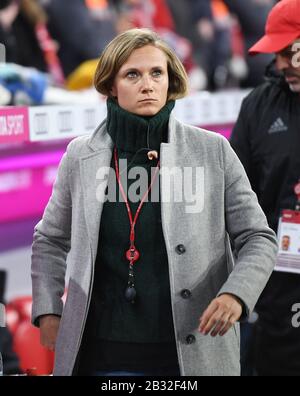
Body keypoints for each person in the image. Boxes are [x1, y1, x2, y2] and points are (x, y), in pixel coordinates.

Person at [31, 28, 277, 376]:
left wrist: (236, 294)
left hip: (190, 352)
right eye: (133, 74)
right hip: (101, 353)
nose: (148, 84)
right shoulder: (80, 155)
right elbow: (50, 240)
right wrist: (48, 310)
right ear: (110, 85)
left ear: (170, 80)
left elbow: (258, 238)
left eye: (156, 73)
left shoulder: (212, 150)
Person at [230, 0, 300, 376]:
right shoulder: (257, 107)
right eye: (279, 52)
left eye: (291, 50)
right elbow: (235, 204)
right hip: (277, 289)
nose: (283, 62)